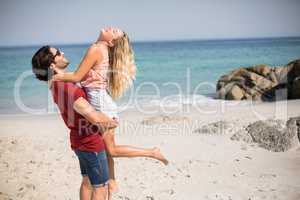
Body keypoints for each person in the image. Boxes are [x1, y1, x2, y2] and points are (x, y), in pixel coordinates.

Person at [52, 27, 168, 192]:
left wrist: (54, 76)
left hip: (100, 103)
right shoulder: (101, 49)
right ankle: (112, 181)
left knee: (110, 149)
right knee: (107, 149)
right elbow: (80, 76)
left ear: (111, 41)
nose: (111, 29)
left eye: (115, 32)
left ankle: (152, 152)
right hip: (101, 100)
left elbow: (77, 76)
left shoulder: (97, 49)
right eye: (114, 29)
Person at [32, 46, 117, 200]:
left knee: (87, 182)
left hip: (79, 140)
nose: (62, 52)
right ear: (52, 65)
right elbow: (94, 117)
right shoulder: (66, 87)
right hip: (90, 142)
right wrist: (112, 121)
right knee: (101, 187)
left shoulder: (55, 84)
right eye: (58, 53)